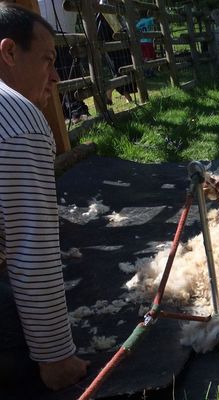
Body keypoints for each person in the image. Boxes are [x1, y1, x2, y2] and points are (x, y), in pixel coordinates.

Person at [0, 3, 88, 393]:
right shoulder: (19, 119)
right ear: (8, 52)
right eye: (47, 60)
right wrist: (55, 356)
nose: (54, 77)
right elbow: (31, 245)